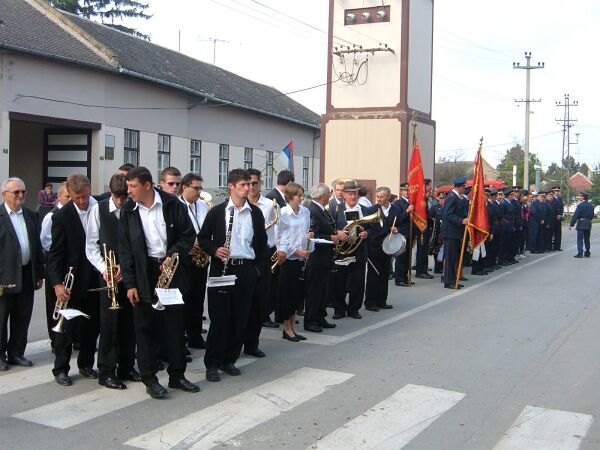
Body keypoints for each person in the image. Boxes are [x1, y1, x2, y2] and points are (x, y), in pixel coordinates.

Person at [120, 166, 199, 399]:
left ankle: (177, 375)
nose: (129, 190)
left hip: (171, 268)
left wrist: (173, 254)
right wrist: (130, 284)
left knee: (174, 326)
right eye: (127, 186)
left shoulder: (173, 204)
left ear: (147, 185)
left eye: (133, 186)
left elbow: (188, 235)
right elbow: (125, 250)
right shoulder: (128, 210)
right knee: (145, 328)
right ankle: (150, 378)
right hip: (144, 271)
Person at [198, 169, 267, 382]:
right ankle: (212, 363)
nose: (248, 188)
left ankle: (229, 359)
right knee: (220, 319)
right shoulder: (217, 212)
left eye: (250, 184)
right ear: (231, 186)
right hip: (223, 268)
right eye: (243, 185)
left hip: (246, 270)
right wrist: (215, 250)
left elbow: (262, 245)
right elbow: (203, 238)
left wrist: (256, 270)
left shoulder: (255, 213)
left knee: (240, 318)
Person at [85, 174, 139, 390]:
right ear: (111, 193)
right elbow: (91, 246)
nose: (120, 202)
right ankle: (106, 371)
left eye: (124, 197)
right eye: (117, 197)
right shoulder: (98, 210)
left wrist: (126, 269)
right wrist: (105, 269)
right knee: (109, 325)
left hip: (130, 273)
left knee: (129, 322)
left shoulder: (133, 208)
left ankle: (127, 366)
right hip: (108, 274)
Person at [47, 173, 101, 386]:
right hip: (73, 279)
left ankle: (86, 364)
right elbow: (55, 254)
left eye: (85, 196)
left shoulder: (100, 208)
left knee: (91, 325)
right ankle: (61, 369)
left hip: (95, 278)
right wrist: (57, 283)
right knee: (66, 328)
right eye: (77, 198)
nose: (82, 201)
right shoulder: (61, 216)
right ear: (69, 194)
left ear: (90, 189)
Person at [0, 178, 45, 371]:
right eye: (16, 192)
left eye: (23, 192)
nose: (20, 195)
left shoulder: (30, 215)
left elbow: (36, 245)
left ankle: (16, 353)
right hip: (4, 276)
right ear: (4, 195)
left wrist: (39, 273)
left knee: (22, 316)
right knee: (1, 318)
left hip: (26, 274)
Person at [332, 179, 377, 319]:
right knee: (339, 281)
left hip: (359, 250)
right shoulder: (336, 209)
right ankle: (339, 309)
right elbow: (330, 227)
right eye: (350, 194)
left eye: (355, 194)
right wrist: (338, 232)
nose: (353, 197)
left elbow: (372, 229)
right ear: (344, 195)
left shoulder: (365, 210)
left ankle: (354, 309)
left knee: (357, 282)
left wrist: (366, 233)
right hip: (342, 251)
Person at [274, 182, 313, 341]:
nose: (301, 198)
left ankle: (293, 327)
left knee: (297, 294)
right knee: (287, 294)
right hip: (288, 258)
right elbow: (279, 238)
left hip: (301, 257)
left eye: (302, 195)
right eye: (299, 195)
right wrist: (297, 251)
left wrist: (308, 241)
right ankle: (286, 328)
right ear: (290, 196)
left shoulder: (305, 211)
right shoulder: (283, 213)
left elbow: (306, 231)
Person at [244, 168, 275, 356]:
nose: (251, 187)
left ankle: (252, 343)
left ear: (260, 184)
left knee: (259, 301)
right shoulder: (238, 204)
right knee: (242, 303)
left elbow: (278, 229)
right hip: (244, 254)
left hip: (263, 253)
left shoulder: (269, 205)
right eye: (248, 183)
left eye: (255, 183)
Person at [304, 183, 342, 332]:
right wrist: (331, 237)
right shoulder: (313, 210)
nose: (330, 196)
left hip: (325, 257)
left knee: (322, 291)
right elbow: (313, 235)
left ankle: (320, 317)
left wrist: (336, 233)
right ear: (323, 196)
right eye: (329, 194)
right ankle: (310, 320)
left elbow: (329, 227)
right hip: (316, 258)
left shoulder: (321, 209)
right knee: (314, 291)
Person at [178, 173, 209, 351]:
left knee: (198, 299)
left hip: (201, 258)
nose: (199, 191)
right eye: (196, 188)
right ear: (185, 187)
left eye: (200, 188)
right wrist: (190, 244)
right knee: (185, 300)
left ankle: (195, 335)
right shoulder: (177, 206)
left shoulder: (203, 205)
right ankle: (181, 338)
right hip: (185, 258)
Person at [40, 182, 70, 350]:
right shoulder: (51, 216)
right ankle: (55, 339)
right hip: (56, 262)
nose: (70, 200)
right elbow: (45, 241)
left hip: (70, 265)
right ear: (58, 196)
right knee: (55, 303)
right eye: (67, 196)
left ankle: (72, 337)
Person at [263, 169, 294, 326]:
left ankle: (276, 313)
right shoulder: (272, 198)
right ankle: (265, 315)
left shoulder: (280, 197)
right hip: (271, 244)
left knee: (277, 283)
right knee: (270, 283)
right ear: (289, 183)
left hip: (280, 244)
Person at [364, 187, 398, 311]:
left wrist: (396, 229)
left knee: (384, 274)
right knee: (373, 275)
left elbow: (399, 225)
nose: (378, 199)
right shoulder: (371, 210)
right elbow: (368, 228)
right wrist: (386, 230)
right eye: (377, 196)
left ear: (388, 197)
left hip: (388, 247)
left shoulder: (395, 209)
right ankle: (370, 302)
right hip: (374, 246)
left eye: (381, 197)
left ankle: (382, 301)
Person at [440, 176, 468, 289]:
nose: (464, 189)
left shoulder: (456, 197)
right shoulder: (452, 197)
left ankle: (452, 279)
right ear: (460, 187)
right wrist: (461, 221)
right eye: (464, 187)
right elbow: (448, 215)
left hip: (455, 232)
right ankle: (448, 281)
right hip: (450, 232)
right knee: (450, 258)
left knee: (453, 257)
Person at [393, 183, 413, 286]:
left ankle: (405, 278)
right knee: (401, 257)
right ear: (401, 192)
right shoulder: (398, 204)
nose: (407, 192)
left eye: (408, 190)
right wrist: (407, 211)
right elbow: (398, 219)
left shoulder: (411, 202)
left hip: (410, 233)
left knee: (407, 257)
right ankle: (399, 279)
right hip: (401, 233)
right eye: (405, 190)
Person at [569, 192, 594, 258]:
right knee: (587, 239)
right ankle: (587, 252)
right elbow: (592, 215)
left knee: (580, 239)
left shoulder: (580, 205)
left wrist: (571, 224)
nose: (579, 197)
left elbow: (576, 215)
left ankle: (580, 253)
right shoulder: (591, 205)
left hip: (581, 223)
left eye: (580, 196)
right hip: (588, 223)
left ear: (583, 197)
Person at [429, 191, 446, 274]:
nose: (442, 200)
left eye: (443, 198)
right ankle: (437, 267)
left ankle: (443, 266)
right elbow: (430, 218)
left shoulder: (447, 207)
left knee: (445, 249)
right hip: (437, 232)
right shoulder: (434, 207)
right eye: (440, 198)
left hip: (445, 230)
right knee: (437, 249)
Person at [552, 186, 564, 250]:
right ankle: (551, 246)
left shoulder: (560, 199)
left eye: (558, 191)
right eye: (555, 191)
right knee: (552, 232)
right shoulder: (551, 198)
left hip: (559, 218)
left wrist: (560, 214)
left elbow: (562, 208)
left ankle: (558, 247)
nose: (556, 192)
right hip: (553, 217)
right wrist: (556, 215)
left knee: (558, 233)